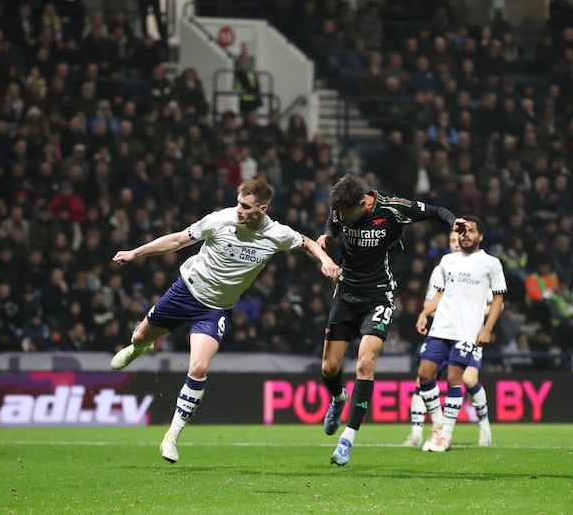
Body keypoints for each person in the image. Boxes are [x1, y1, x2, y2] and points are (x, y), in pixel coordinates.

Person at [110, 178, 340, 463]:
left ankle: (171, 436)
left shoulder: (275, 233)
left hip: (215, 310)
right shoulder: (220, 220)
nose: (239, 210)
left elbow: (306, 242)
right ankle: (138, 347)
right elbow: (179, 239)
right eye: (238, 203)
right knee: (142, 336)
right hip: (186, 291)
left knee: (199, 366)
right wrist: (136, 252)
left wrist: (325, 261)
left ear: (262, 208)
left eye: (245, 206)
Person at [317, 174, 466, 466]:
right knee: (329, 366)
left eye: (348, 214)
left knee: (364, 364)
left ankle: (346, 441)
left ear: (363, 203)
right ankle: (337, 399)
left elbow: (435, 211)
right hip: (346, 294)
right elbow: (333, 222)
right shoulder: (341, 207)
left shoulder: (393, 208)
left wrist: (453, 222)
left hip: (378, 295)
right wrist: (326, 235)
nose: (343, 218)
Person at [413, 216, 506, 452]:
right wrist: (425, 313)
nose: (466, 235)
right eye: (462, 232)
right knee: (424, 374)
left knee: (456, 378)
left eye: (471, 231)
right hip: (441, 327)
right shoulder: (447, 261)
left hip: (467, 332)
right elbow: (441, 293)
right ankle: (439, 422)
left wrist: (487, 329)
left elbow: (497, 300)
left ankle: (446, 435)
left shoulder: (491, 263)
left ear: (480, 236)